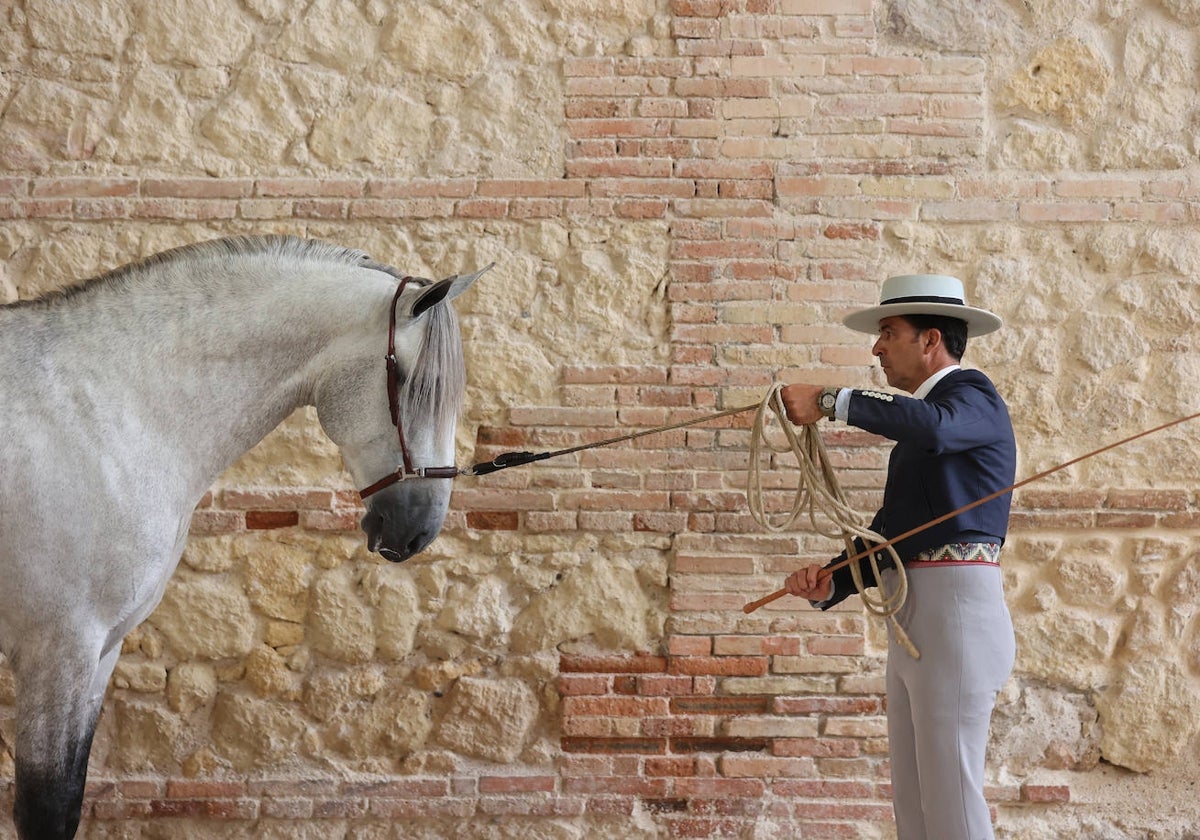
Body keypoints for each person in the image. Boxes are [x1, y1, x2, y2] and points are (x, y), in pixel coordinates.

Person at [779, 273, 1017, 840]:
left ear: (929, 340)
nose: (876, 348)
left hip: (956, 615)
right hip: (916, 615)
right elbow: (893, 534)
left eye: (888, 333)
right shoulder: (924, 430)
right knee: (913, 801)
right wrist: (833, 581)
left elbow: (935, 428)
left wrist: (832, 401)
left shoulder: (970, 399)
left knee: (953, 798)